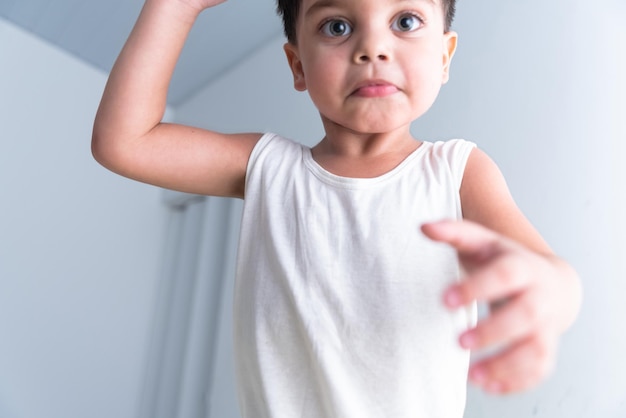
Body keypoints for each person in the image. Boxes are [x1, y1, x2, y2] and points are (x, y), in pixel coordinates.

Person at [92, 0, 582, 416]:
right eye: (337, 26)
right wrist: (174, 6)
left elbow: (550, 273)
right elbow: (125, 141)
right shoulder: (267, 168)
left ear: (445, 56)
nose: (373, 49)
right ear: (298, 66)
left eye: (405, 21)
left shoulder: (455, 170)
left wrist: (548, 296)